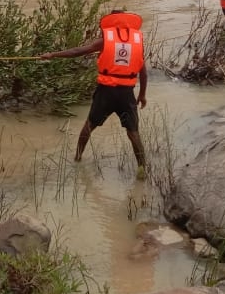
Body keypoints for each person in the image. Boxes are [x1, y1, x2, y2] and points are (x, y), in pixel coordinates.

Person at [40, 10, 148, 179]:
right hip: (127, 93)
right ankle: (142, 168)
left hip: (106, 92)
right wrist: (142, 95)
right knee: (133, 132)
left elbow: (78, 51)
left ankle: (77, 157)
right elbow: (143, 72)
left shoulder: (105, 40)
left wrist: (52, 55)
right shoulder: (137, 41)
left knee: (89, 125)